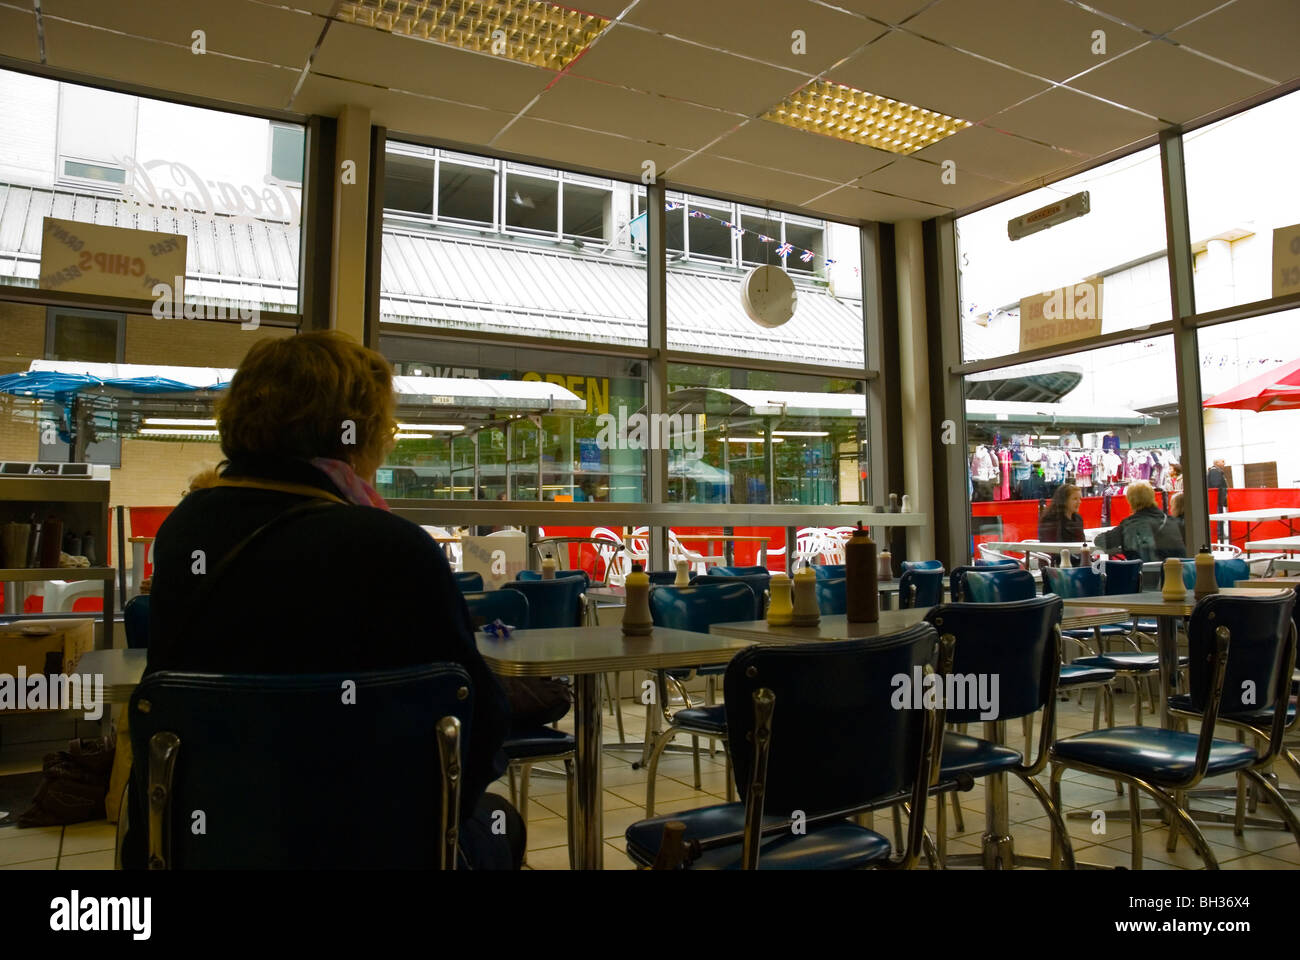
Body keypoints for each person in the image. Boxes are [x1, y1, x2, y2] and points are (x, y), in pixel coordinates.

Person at [123, 331, 522, 870]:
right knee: (504, 823)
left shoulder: (184, 533)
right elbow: (479, 718)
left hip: (212, 844)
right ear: (359, 431)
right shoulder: (393, 545)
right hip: (376, 844)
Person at [1095, 480, 1186, 561]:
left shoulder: (1128, 525)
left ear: (1130, 501)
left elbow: (1100, 541)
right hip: (1175, 576)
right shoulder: (1173, 522)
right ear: (1152, 496)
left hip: (1142, 577)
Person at [1207, 458, 1229, 540]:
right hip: (1217, 499)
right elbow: (1216, 486)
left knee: (1219, 516)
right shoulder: (1215, 472)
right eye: (1222, 461)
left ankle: (1220, 533)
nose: (1224, 463)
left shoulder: (1216, 471)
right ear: (1216, 463)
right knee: (1218, 516)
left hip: (1217, 499)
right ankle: (1220, 534)